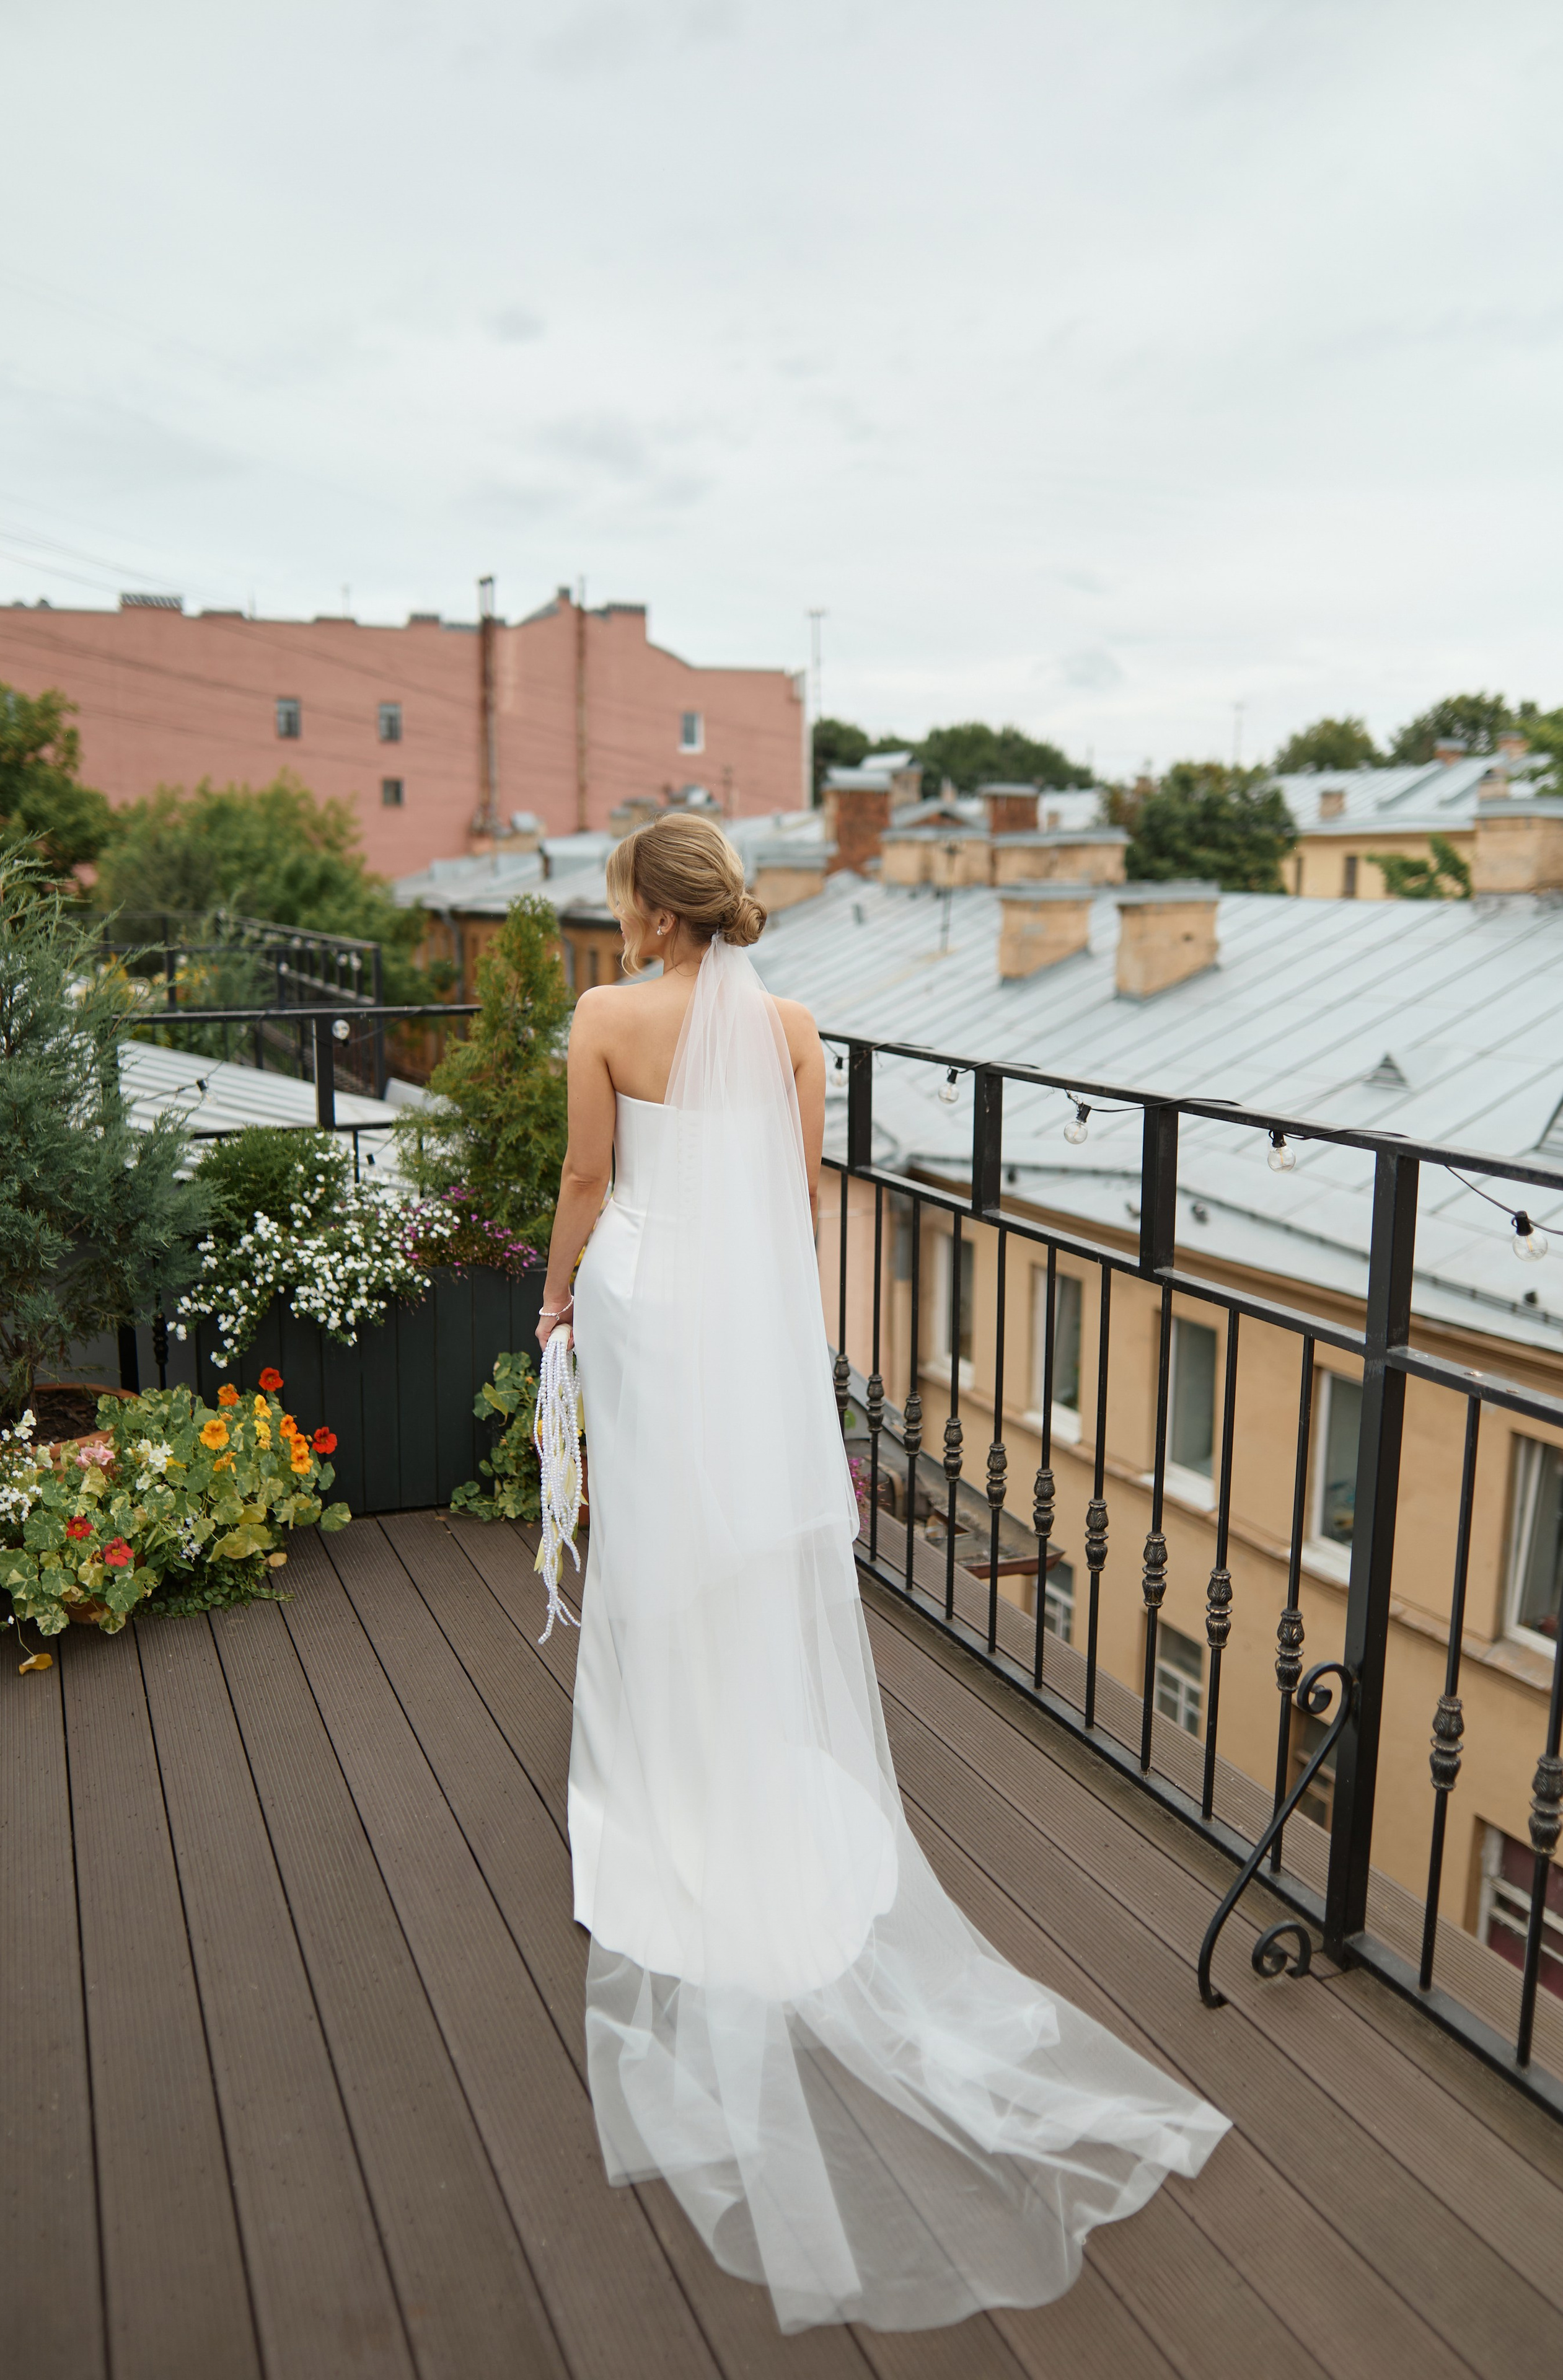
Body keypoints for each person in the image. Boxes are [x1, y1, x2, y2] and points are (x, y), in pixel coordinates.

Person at [535, 812, 1228, 2335]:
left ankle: (659, 1795)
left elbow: (587, 1183)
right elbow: (793, 1206)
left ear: (652, 910)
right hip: (739, 1311)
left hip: (646, 1300)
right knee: (737, 1554)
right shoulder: (791, 1025)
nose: (621, 920)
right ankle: (735, 1780)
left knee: (656, 1544)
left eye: (622, 902)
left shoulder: (600, 1014)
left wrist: (552, 1307)